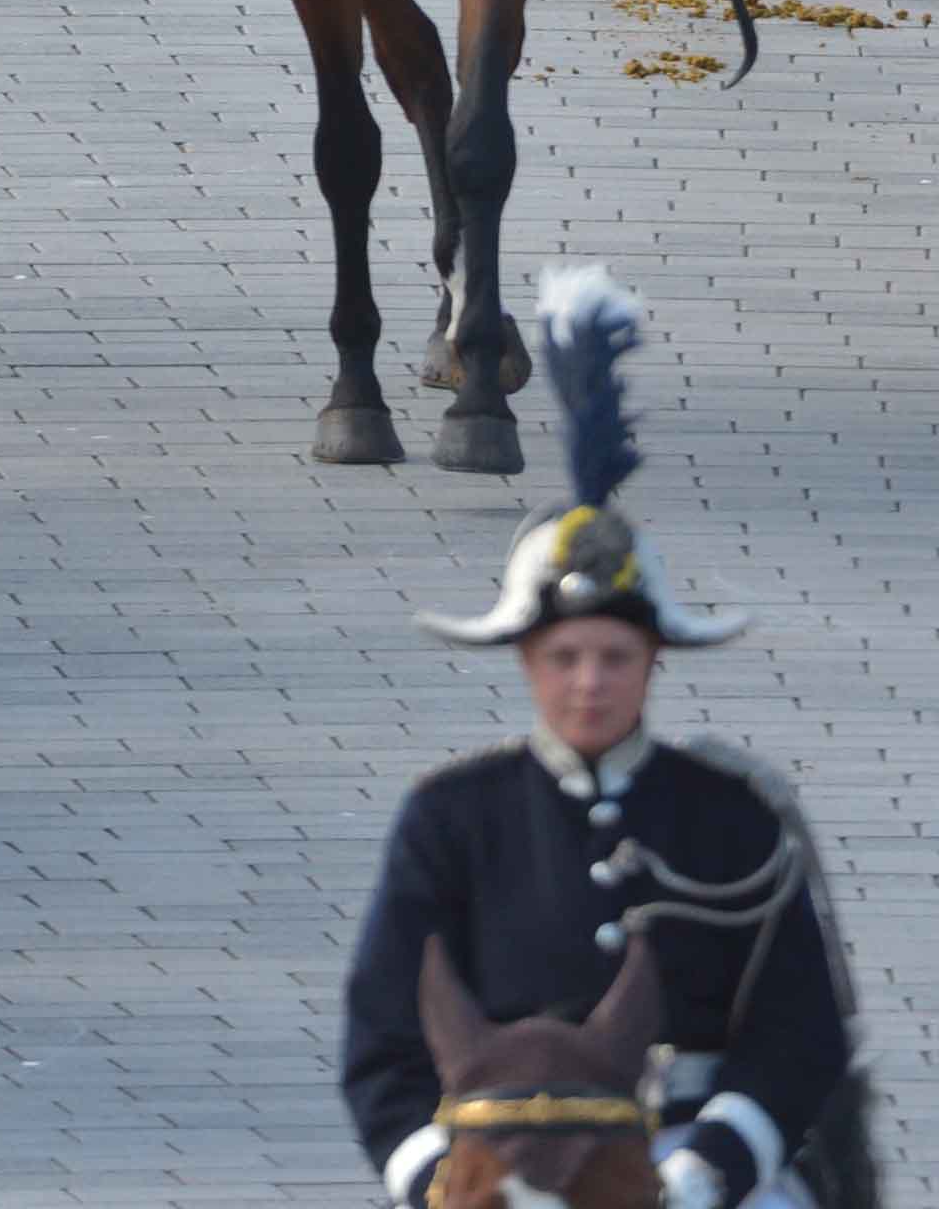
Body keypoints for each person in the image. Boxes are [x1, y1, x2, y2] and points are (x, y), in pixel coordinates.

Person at [343, 271, 868, 1209]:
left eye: (615, 656)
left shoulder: (731, 814)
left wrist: (711, 1167)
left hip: (697, 1159)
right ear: (526, 661)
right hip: (494, 1170)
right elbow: (381, 1046)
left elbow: (802, 1034)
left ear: (656, 658)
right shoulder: (454, 819)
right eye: (567, 655)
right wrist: (438, 1177)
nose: (591, 681)